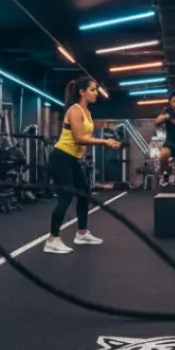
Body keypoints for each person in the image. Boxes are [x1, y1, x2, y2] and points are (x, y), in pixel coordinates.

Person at [45, 76, 120, 254]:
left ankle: (82, 233)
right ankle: (52, 239)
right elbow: (79, 138)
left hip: (71, 159)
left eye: (96, 90)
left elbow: (82, 141)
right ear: (82, 92)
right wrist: (104, 142)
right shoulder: (75, 110)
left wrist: (105, 142)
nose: (96, 93)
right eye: (93, 90)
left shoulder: (87, 113)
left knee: (84, 193)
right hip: (61, 157)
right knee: (65, 197)